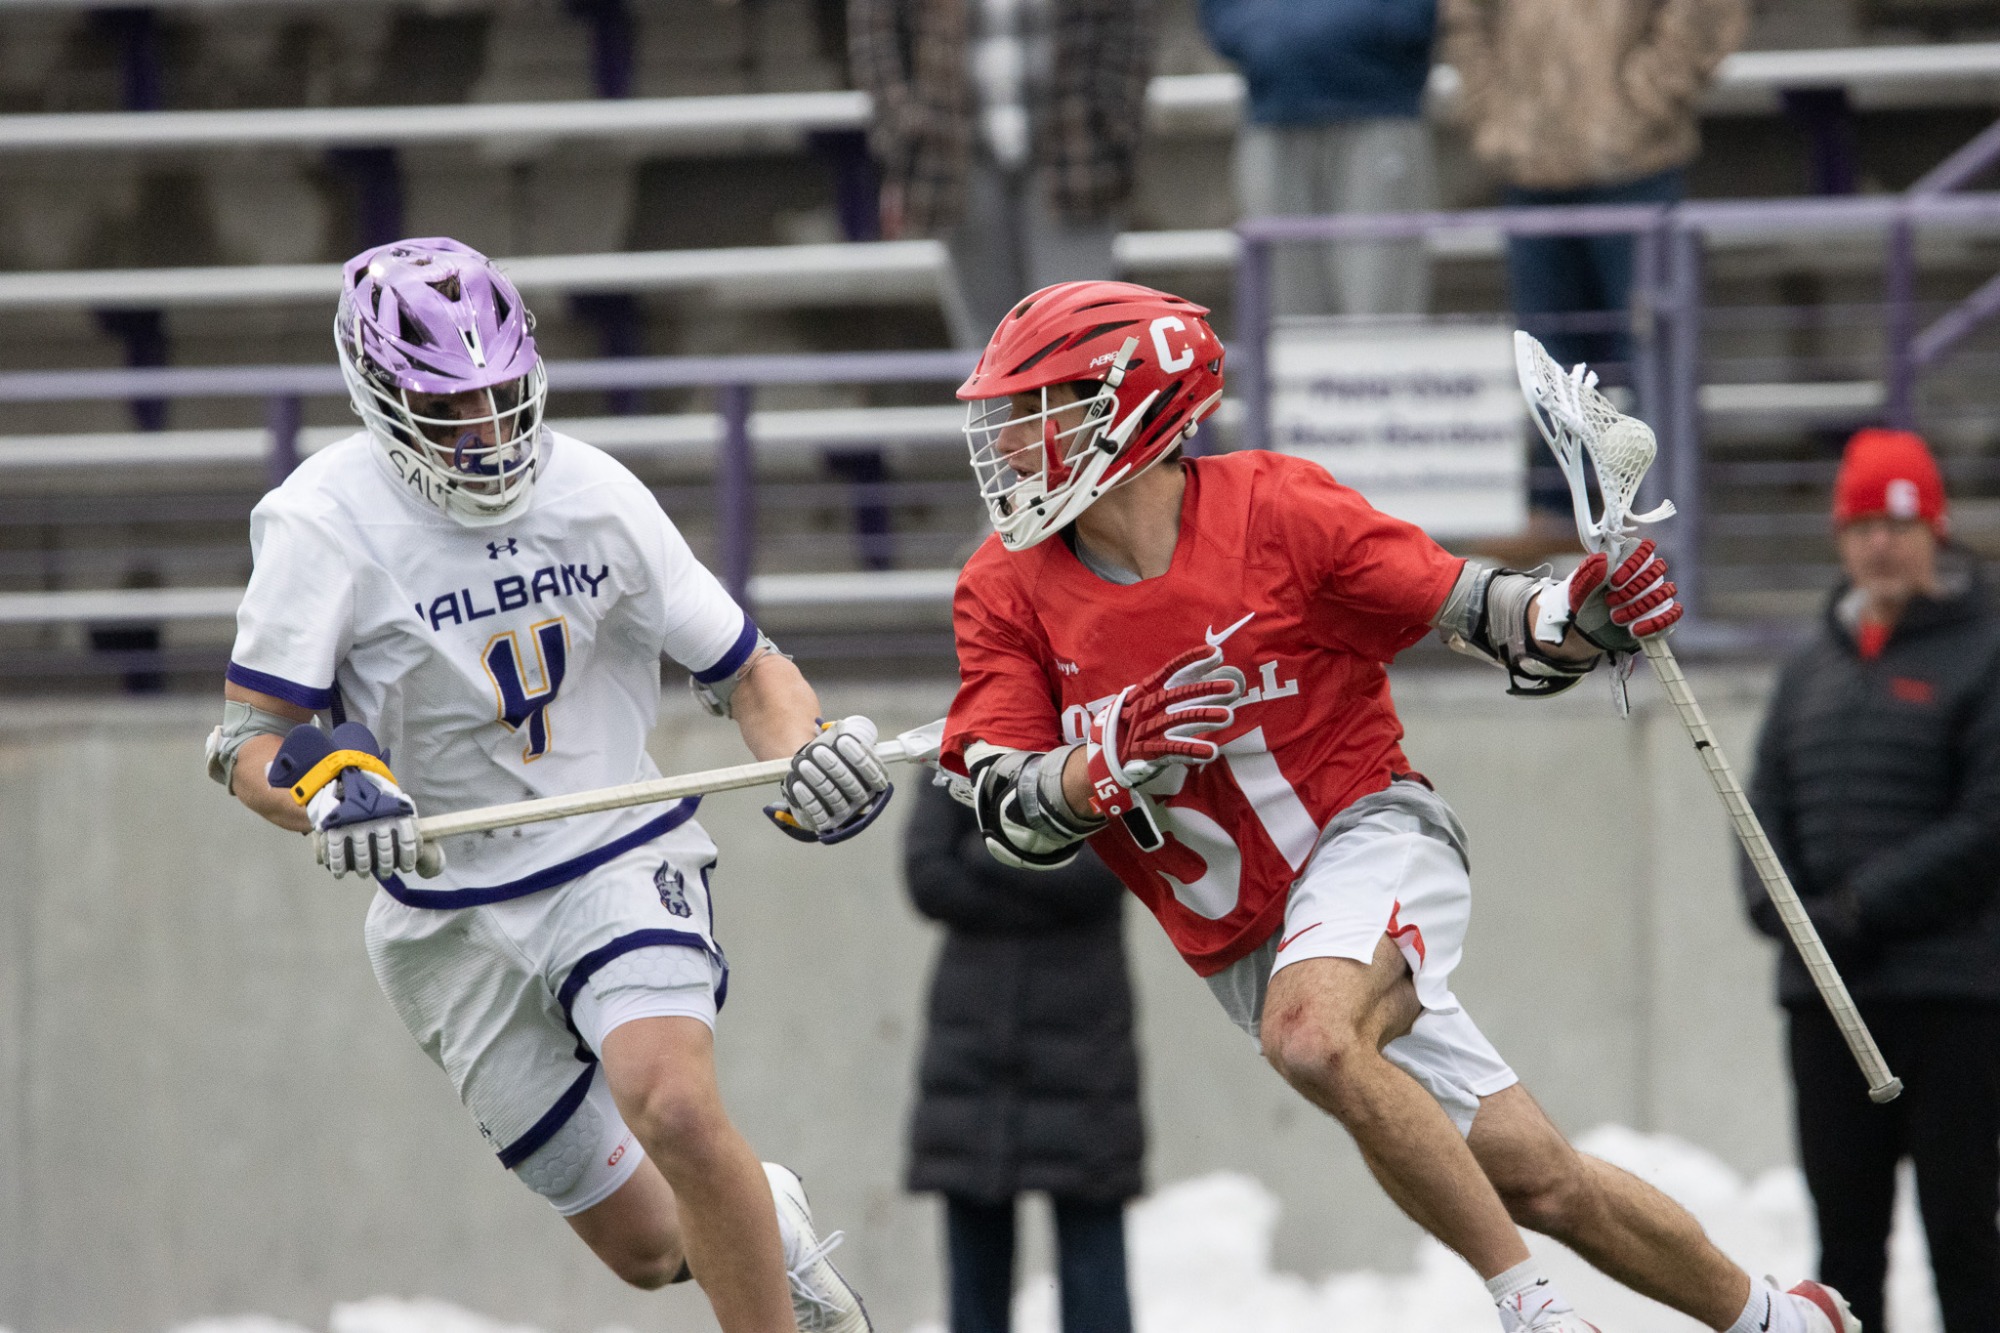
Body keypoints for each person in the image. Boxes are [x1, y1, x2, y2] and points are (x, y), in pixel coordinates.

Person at [935, 278, 1861, 1333]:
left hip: (1366, 834)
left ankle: (1536, 1313)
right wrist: (1098, 763)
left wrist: (1576, 609)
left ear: (1139, 405)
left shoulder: (1276, 509)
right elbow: (1009, 805)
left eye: (1037, 411)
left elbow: (1479, 607)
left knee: (1313, 1037)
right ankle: (1783, 1321)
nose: (1008, 443)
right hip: (1242, 934)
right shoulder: (1000, 586)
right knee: (1536, 1176)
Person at [205, 237, 891, 1333]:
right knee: (651, 1245)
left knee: (667, 1096)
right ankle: (765, 1218)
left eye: (499, 396)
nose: (484, 433)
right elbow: (251, 744)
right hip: (444, 909)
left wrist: (803, 757)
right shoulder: (319, 518)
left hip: (609, 849)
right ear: (377, 399)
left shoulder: (595, 492)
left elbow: (751, 672)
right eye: (451, 408)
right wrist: (330, 790)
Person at [1743, 427, 2000, 1333]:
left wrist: (1854, 909)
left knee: (1964, 1237)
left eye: (1898, 524)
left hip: (1953, 1000)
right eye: (1861, 524)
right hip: (1827, 1005)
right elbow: (1758, 804)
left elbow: (1986, 824)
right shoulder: (1811, 665)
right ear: (1839, 536)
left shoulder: (1985, 648)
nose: (1879, 544)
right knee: (1845, 1250)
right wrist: (1775, 906)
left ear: (1936, 529)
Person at [902, 777, 1142, 1333]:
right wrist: (1045, 865)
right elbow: (926, 877)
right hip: (973, 1051)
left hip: (1086, 1052)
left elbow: (1108, 871)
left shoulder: (1097, 740)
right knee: (974, 1288)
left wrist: (982, 850)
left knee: (1094, 1278)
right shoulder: (956, 750)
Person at [1439, 0, 1745, 376]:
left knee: (1650, 366)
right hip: (1529, 166)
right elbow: (1463, 17)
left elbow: (1705, 12)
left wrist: (1638, 104)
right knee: (1547, 376)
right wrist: (1496, 111)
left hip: (1637, 170)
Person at [847, 0, 1147, 347]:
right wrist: (907, 129)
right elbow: (874, 30)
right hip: (958, 157)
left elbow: (1132, 20)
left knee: (1078, 339)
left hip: (1077, 150)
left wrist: (1114, 122)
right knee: (990, 351)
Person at [1199, 0, 1438, 317]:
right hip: (1273, 113)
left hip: (1380, 111)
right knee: (1284, 320)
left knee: (1381, 312)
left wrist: (1365, 29)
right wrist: (1266, 38)